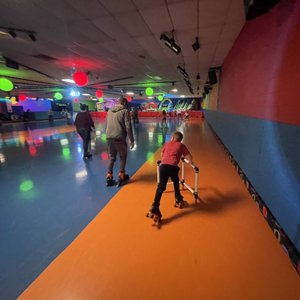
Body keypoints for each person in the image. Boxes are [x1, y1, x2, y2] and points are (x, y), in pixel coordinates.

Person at [148, 131, 193, 220]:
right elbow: (189, 156)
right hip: (172, 167)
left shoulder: (167, 143)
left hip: (163, 166)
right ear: (180, 140)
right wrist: (191, 163)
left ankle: (155, 206)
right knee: (176, 181)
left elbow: (162, 154)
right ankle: (178, 199)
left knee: (161, 186)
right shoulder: (181, 145)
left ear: (172, 138)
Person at [105, 96, 134, 185]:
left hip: (109, 137)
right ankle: (121, 175)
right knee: (123, 156)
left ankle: (109, 176)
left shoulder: (109, 111)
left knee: (111, 157)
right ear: (124, 103)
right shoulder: (125, 111)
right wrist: (132, 140)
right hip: (119, 138)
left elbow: (106, 124)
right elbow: (128, 126)